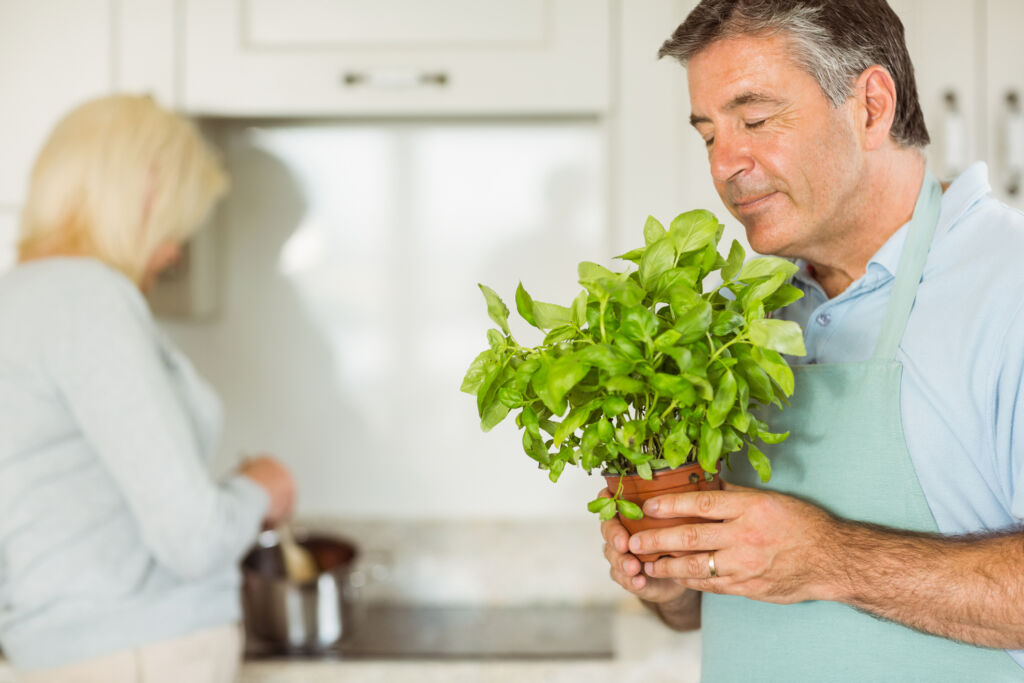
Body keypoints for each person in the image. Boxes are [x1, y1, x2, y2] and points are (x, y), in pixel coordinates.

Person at [600, 1, 1024, 680]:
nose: (725, 164)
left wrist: (832, 558)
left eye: (756, 119)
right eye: (708, 133)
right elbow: (725, 599)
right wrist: (675, 584)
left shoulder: (1009, 282)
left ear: (871, 106)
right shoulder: (735, 322)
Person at [0, 94, 296, 682]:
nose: (174, 251)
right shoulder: (87, 299)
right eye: (175, 225)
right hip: (138, 654)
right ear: (146, 196)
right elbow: (191, 537)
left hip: (53, 652)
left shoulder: (17, 301)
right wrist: (262, 488)